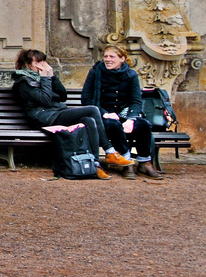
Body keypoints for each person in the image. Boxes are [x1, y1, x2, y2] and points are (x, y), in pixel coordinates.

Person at [12, 49, 130, 179]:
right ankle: (110, 151)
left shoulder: (43, 78)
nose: (43, 65)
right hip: (44, 117)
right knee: (92, 110)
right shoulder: (23, 82)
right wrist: (46, 78)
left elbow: (62, 96)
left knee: (89, 120)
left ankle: (94, 165)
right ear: (28, 64)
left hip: (57, 113)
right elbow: (45, 100)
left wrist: (53, 77)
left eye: (44, 61)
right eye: (38, 62)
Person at [83, 46, 165, 178]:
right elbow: (86, 99)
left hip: (124, 113)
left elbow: (136, 100)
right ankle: (127, 163)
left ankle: (145, 163)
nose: (107, 60)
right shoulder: (95, 72)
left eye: (112, 57)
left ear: (122, 59)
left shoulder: (131, 75)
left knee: (142, 125)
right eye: (106, 56)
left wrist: (131, 119)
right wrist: (104, 113)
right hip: (101, 114)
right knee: (113, 125)